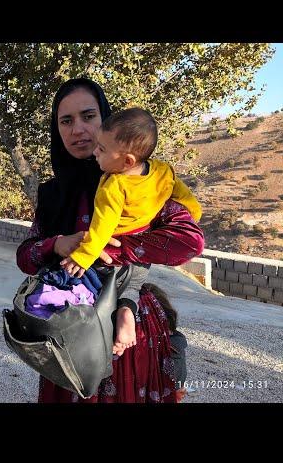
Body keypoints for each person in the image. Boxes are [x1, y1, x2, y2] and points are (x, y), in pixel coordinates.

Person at [16, 77, 205, 403]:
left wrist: (113, 248)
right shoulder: (52, 193)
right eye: (66, 121)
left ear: (105, 118)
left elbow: (189, 240)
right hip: (66, 331)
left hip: (128, 328)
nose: (77, 129)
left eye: (88, 116)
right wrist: (57, 244)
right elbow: (25, 256)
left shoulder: (139, 184)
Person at [60, 108, 202, 355]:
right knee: (134, 282)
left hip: (112, 247)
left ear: (127, 161)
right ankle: (128, 310)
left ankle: (113, 320)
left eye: (102, 150)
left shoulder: (114, 185)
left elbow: (102, 225)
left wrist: (85, 255)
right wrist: (193, 214)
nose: (95, 152)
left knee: (97, 284)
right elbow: (183, 196)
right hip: (142, 246)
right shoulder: (162, 171)